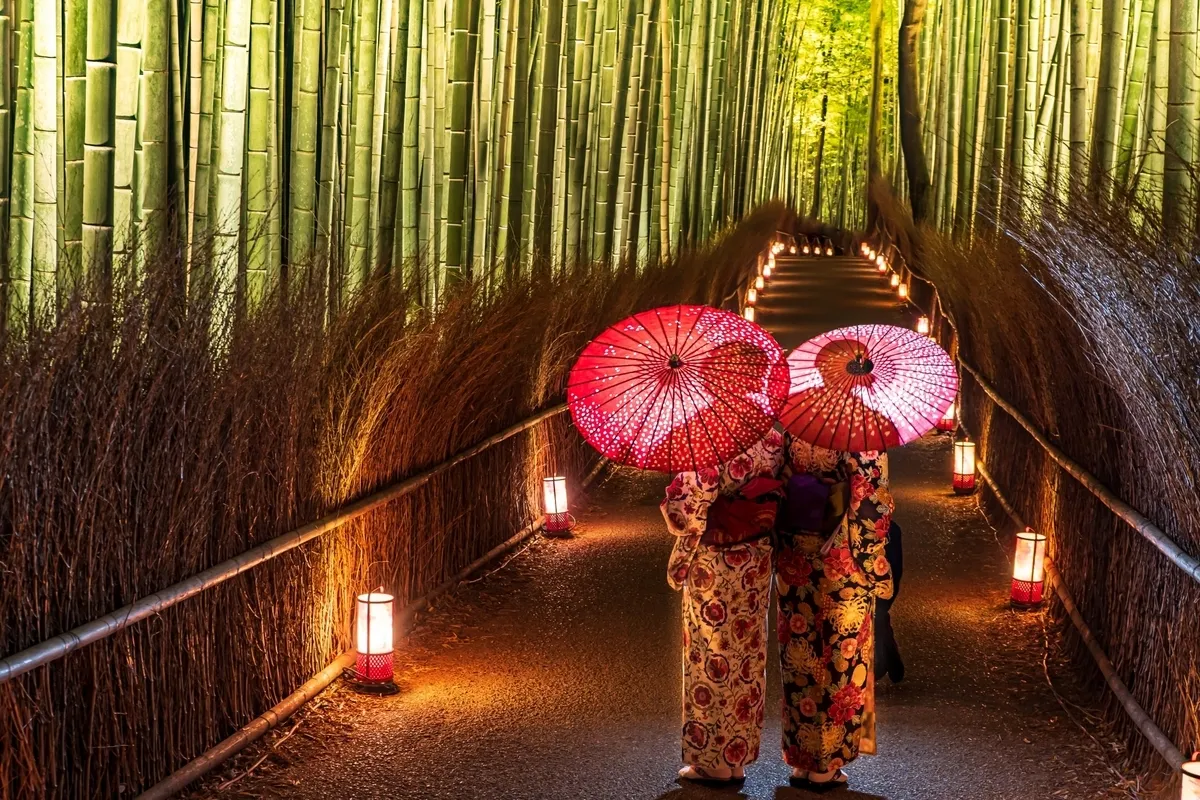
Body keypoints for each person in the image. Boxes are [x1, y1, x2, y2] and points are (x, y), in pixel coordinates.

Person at [662, 429, 784, 785]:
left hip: (716, 563)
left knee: (710, 656)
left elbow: (685, 514)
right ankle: (737, 756)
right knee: (746, 657)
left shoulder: (707, 439)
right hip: (755, 559)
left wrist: (671, 504)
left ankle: (713, 762)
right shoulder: (773, 437)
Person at [775, 435, 894, 790]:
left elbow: (780, 479)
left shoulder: (796, 426)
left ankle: (802, 760)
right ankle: (825, 765)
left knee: (801, 657)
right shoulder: (861, 435)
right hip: (842, 560)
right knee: (837, 661)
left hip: (796, 557)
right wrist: (877, 570)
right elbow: (871, 504)